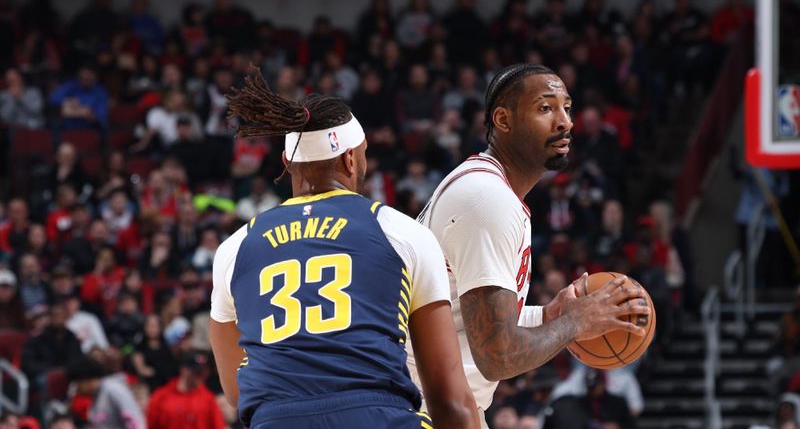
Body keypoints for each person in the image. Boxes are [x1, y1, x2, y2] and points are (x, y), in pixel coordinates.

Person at [210, 70, 479, 429]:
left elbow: (237, 393)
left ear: (287, 164)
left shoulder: (235, 247)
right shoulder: (401, 232)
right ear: (351, 159)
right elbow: (450, 398)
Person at [406, 63, 649, 427]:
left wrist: (547, 316)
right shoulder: (487, 199)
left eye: (567, 107)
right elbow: (497, 356)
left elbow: (467, 321)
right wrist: (577, 321)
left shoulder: (489, 190)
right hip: (420, 406)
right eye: (545, 108)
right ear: (502, 120)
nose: (565, 122)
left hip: (437, 403)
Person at [147, 350, 226, 429]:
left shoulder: (208, 398)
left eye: (204, 372)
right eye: (197, 372)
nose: (201, 376)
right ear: (183, 369)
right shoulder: (160, 397)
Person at [66, 355, 146, 429]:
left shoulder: (113, 390)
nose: (76, 388)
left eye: (77, 383)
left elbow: (134, 421)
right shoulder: (98, 396)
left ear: (87, 380)